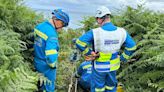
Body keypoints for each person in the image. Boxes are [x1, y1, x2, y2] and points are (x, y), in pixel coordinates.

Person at [75, 6, 136, 92]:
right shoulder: (122, 32)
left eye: (97, 19)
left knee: (98, 89)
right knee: (111, 88)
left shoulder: (95, 32)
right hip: (113, 67)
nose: (97, 21)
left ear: (100, 18)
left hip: (99, 68)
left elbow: (79, 43)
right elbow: (132, 46)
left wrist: (89, 52)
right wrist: (122, 58)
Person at [33, 9, 69, 92]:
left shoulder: (40, 26)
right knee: (48, 88)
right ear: (58, 21)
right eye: (63, 24)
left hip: (37, 61)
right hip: (46, 67)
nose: (62, 27)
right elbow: (50, 56)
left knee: (40, 85)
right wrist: (53, 66)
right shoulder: (52, 35)